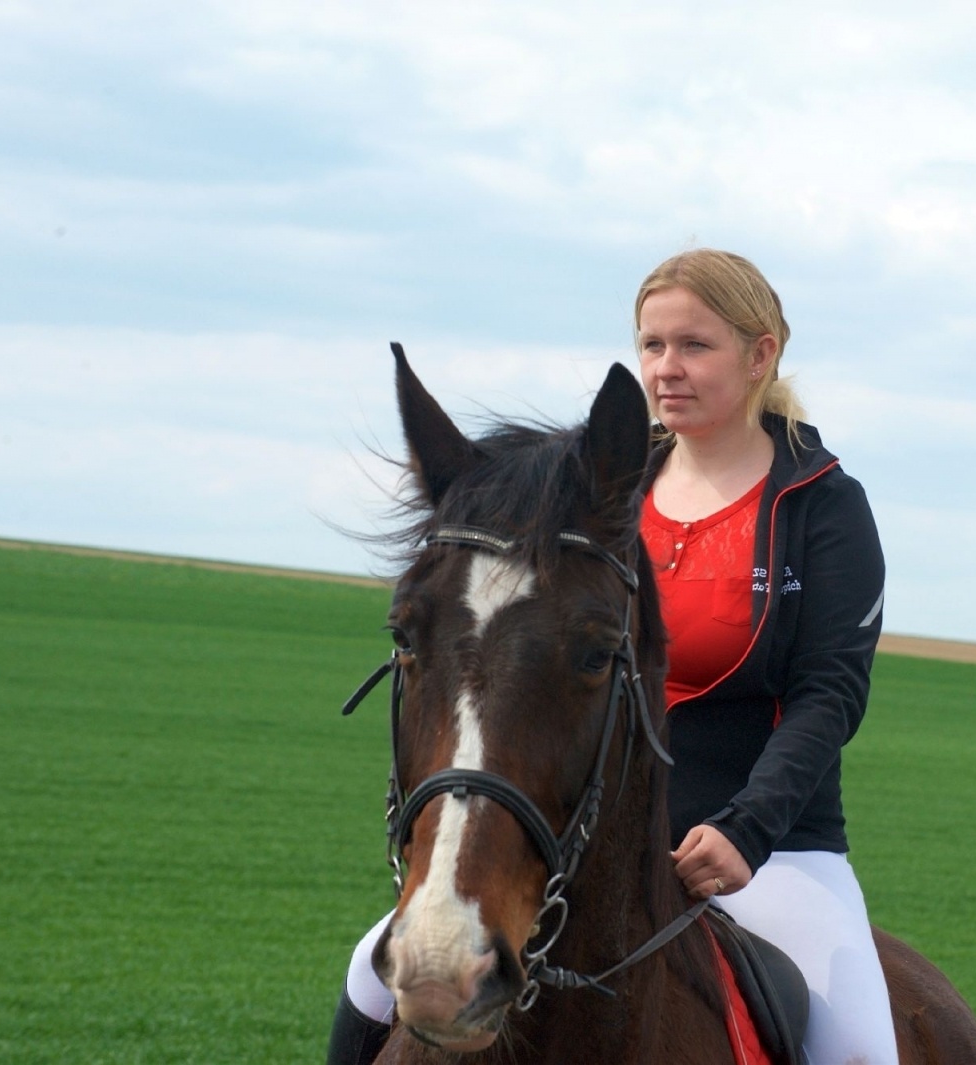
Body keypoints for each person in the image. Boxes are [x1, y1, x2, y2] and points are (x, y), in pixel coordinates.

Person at [328, 249, 897, 1064]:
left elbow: (829, 695)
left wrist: (747, 829)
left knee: (860, 1047)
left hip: (772, 853)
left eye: (694, 346)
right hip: (589, 844)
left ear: (761, 353)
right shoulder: (596, 489)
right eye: (652, 345)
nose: (668, 368)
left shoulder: (825, 505)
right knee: (369, 980)